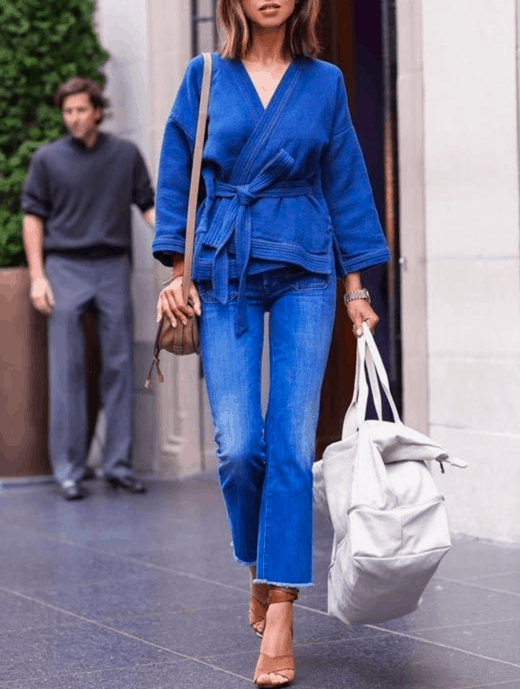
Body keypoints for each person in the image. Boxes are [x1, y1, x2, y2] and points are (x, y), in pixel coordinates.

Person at [152, 0, 390, 685]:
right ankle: (263, 562)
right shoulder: (204, 75)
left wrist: (355, 288)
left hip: (306, 273)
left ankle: (281, 605)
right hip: (225, 269)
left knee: (289, 443)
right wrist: (178, 270)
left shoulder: (324, 82)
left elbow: (345, 181)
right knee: (237, 447)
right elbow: (177, 173)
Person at [21, 77, 154, 501]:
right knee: (66, 369)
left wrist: (181, 245)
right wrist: (38, 276)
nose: (74, 118)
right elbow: (32, 218)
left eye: (81, 109)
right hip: (64, 266)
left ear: (98, 111)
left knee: (120, 365)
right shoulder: (46, 159)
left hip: (112, 265)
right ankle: (68, 471)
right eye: (68, 111)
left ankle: (118, 466)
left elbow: (148, 206)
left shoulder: (125, 155)